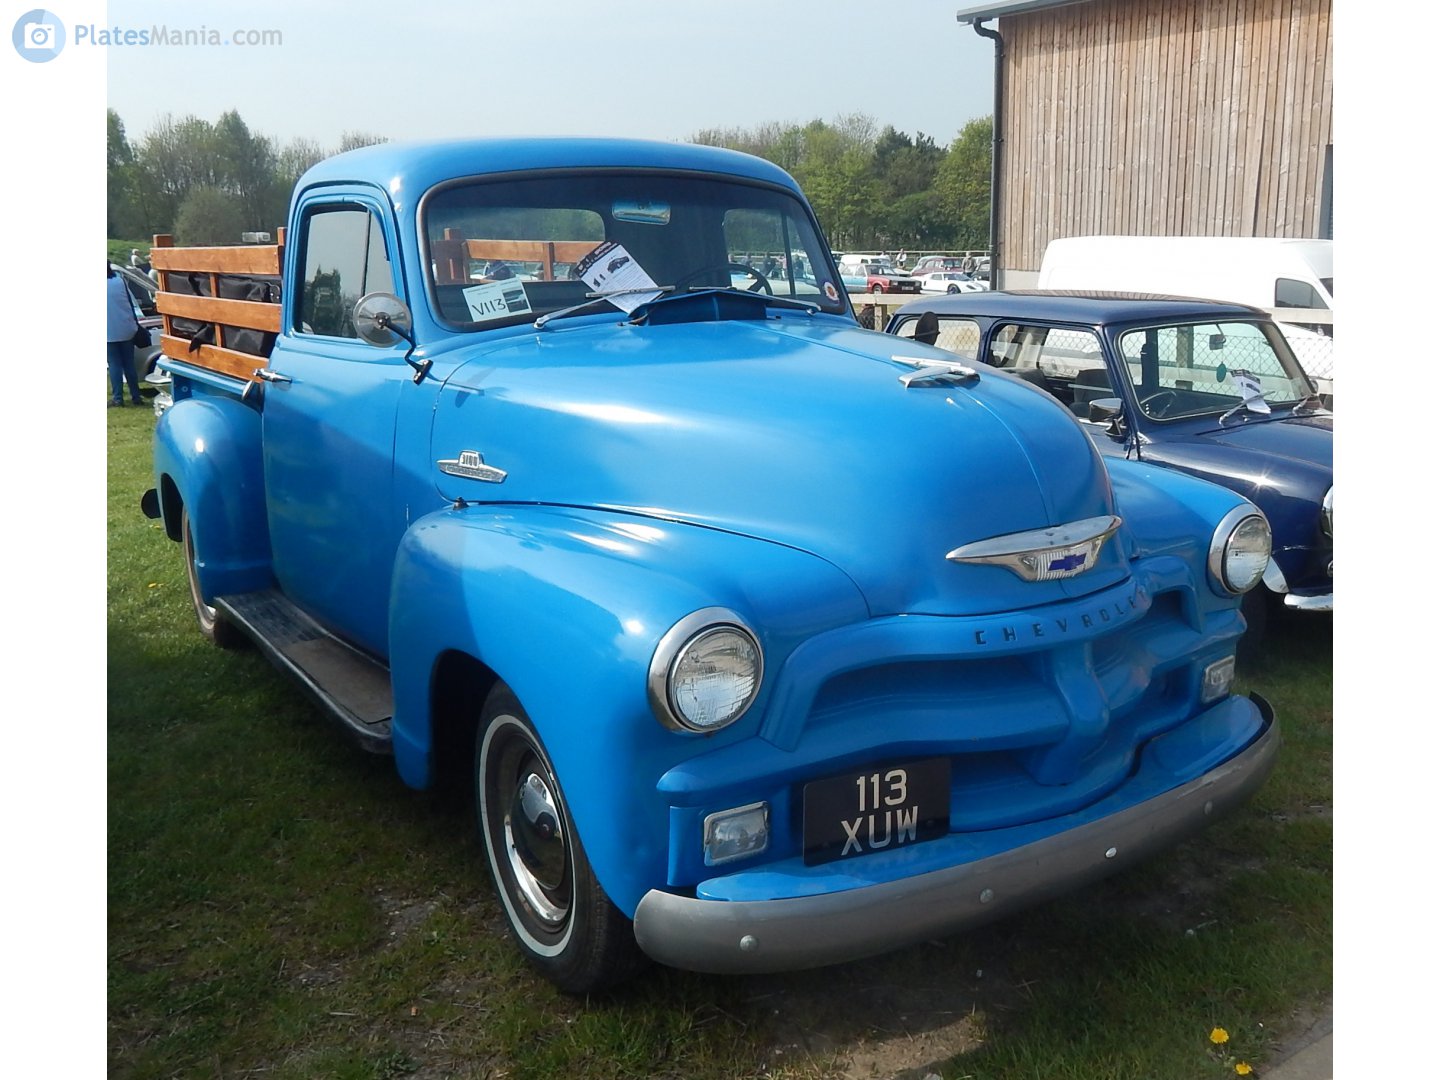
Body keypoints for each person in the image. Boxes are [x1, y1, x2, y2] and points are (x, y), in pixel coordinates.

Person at [107, 263, 145, 407]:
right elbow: (129, 303)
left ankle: (118, 398)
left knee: (115, 365)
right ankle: (136, 396)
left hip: (108, 330)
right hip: (126, 327)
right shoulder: (119, 281)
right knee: (129, 364)